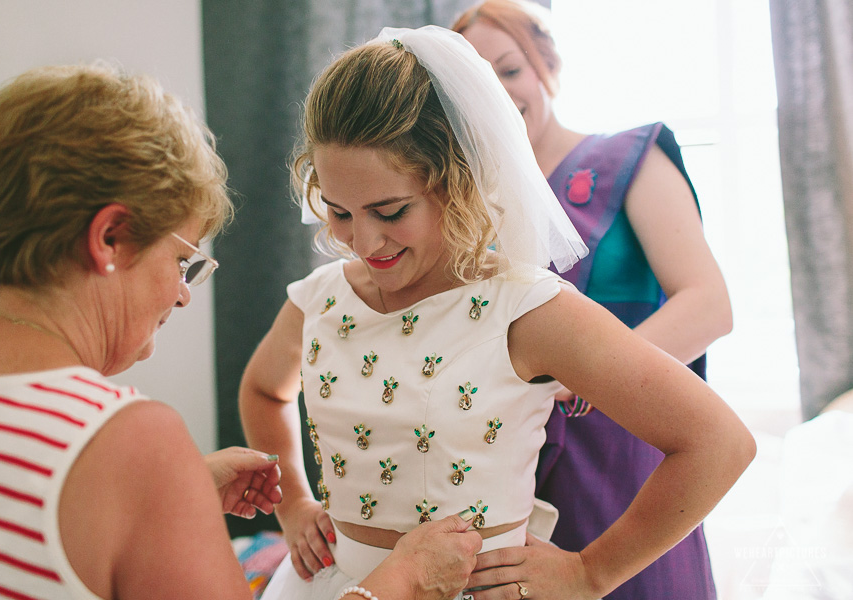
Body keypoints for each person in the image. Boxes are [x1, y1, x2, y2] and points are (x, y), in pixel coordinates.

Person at [239, 25, 754, 600]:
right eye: (339, 213)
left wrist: (592, 571)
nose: (364, 241)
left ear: (454, 181)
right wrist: (294, 505)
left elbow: (720, 442)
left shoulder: (525, 308)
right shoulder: (319, 296)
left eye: (390, 211)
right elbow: (264, 390)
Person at [0, 62, 480, 600]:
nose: (183, 293)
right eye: (182, 260)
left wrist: (171, 497)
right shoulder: (130, 441)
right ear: (108, 238)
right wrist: (403, 582)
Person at [451, 1, 733, 597]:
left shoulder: (630, 158)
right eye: (477, 84)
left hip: (623, 458)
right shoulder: (462, 205)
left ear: (545, 66)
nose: (499, 96)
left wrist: (596, 372)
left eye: (510, 70)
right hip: (513, 473)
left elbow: (708, 304)